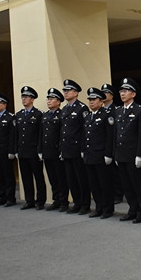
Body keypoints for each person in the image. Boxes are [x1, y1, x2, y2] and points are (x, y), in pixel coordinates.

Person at [114, 77, 141, 223]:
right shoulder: (118, 111)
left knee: (138, 184)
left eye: (126, 91)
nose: (122, 93)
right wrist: (115, 153)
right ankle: (132, 209)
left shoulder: (140, 110)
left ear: (133, 94)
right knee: (127, 185)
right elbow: (116, 133)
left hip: (134, 154)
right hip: (121, 154)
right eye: (121, 91)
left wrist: (140, 155)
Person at [82, 87, 115, 218]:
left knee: (104, 184)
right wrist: (83, 150)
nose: (91, 102)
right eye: (89, 99)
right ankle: (99, 207)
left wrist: (108, 154)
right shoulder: (89, 116)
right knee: (94, 184)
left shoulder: (106, 115)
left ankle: (108, 209)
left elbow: (109, 137)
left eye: (94, 99)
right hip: (90, 156)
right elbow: (85, 136)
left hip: (101, 156)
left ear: (101, 101)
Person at [60, 79, 89, 214]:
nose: (65, 93)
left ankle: (85, 204)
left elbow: (85, 131)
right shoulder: (64, 109)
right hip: (67, 150)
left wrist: (83, 149)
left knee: (81, 179)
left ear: (76, 93)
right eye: (64, 90)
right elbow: (63, 131)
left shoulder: (82, 108)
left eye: (68, 90)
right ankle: (77, 203)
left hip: (77, 150)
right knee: (71, 179)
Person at [15, 86, 45, 210]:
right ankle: (29, 200)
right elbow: (16, 134)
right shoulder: (19, 115)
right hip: (22, 151)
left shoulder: (38, 114)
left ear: (32, 99)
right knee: (25, 177)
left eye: (26, 97)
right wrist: (16, 149)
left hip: (34, 151)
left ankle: (40, 201)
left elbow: (41, 134)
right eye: (23, 97)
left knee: (38, 177)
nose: (24, 99)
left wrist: (40, 150)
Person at [39, 88, 67, 211]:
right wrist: (40, 150)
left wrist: (61, 150)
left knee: (61, 178)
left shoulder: (61, 115)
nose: (49, 101)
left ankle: (63, 201)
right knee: (52, 178)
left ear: (58, 101)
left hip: (57, 151)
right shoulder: (44, 115)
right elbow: (41, 134)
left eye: (52, 99)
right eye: (48, 99)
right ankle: (56, 199)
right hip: (47, 152)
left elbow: (62, 134)